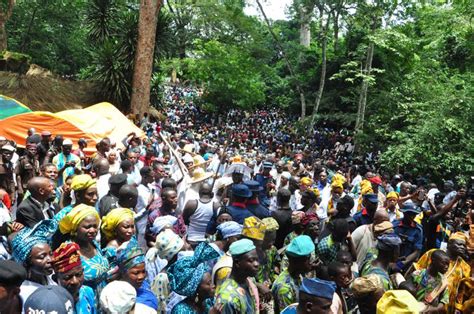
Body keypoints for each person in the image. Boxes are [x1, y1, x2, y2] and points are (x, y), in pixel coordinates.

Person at [58, 204, 109, 299]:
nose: (93, 230)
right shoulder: (69, 251)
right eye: (87, 227)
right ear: (75, 228)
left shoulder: (93, 243)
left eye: (95, 226)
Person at [413, 231, 471, 313]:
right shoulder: (433, 253)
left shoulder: (465, 267)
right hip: (421, 298)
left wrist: (458, 307)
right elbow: (417, 269)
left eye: (464, 246)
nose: (462, 247)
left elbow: (462, 290)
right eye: (459, 244)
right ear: (449, 244)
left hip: (445, 305)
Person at [10, 219, 58, 304]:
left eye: (51, 254)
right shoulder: (24, 294)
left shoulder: (53, 277)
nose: (50, 260)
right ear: (26, 262)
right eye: (42, 257)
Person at [167, 242, 220, 313]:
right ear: (196, 289)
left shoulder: (208, 302)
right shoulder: (180, 310)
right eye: (208, 283)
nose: (213, 286)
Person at [272, 235, 315, 313]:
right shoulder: (285, 288)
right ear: (297, 262)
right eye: (308, 259)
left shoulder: (298, 275)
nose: (311, 262)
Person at [215, 239, 260, 313]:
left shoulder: (248, 281)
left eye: (257, 259)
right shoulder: (228, 298)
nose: (256, 264)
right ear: (237, 262)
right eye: (251, 260)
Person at [117, 238, 158, 313]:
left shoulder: (145, 285)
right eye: (136, 273)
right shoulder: (118, 296)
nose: (141, 277)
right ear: (123, 273)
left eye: (143, 271)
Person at [52, 242, 96, 314]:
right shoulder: (53, 302)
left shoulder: (87, 292)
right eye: (67, 277)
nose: (75, 281)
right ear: (56, 279)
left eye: (78, 274)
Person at [101, 207, 136, 275]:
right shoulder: (111, 249)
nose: (130, 231)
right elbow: (109, 276)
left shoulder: (132, 239)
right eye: (126, 227)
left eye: (132, 226)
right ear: (115, 229)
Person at [183, 182, 219, 247]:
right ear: (212, 194)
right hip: (208, 242)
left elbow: (184, 220)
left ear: (199, 193)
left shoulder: (191, 204)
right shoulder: (217, 206)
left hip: (192, 240)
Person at [392, 200, 423, 271]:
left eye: (414, 214)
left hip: (406, 264)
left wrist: (402, 263)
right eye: (409, 214)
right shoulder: (394, 225)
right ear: (404, 213)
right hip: (391, 262)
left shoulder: (418, 229)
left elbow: (417, 251)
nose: (412, 216)